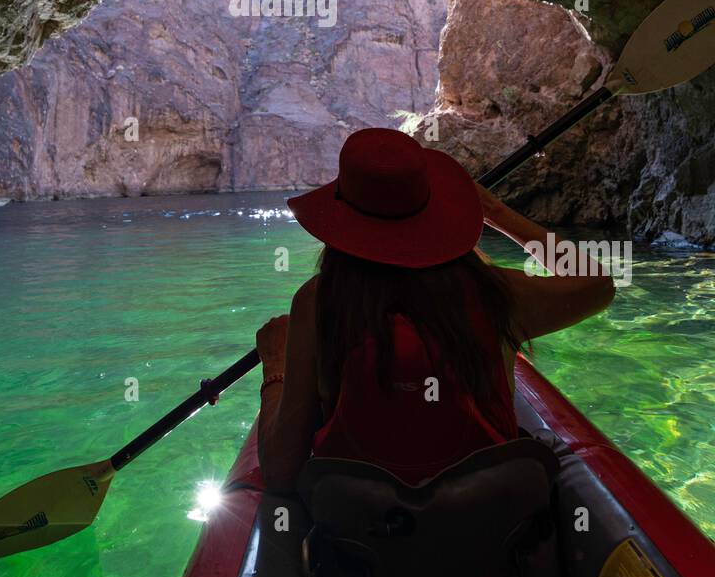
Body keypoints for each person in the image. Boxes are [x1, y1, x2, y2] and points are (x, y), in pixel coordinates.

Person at [256, 127, 614, 492]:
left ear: (341, 220)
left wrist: (275, 367)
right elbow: (597, 284)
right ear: (437, 211)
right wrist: (495, 210)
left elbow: (281, 470)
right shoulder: (495, 293)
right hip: (489, 527)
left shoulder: (317, 302)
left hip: (364, 535)